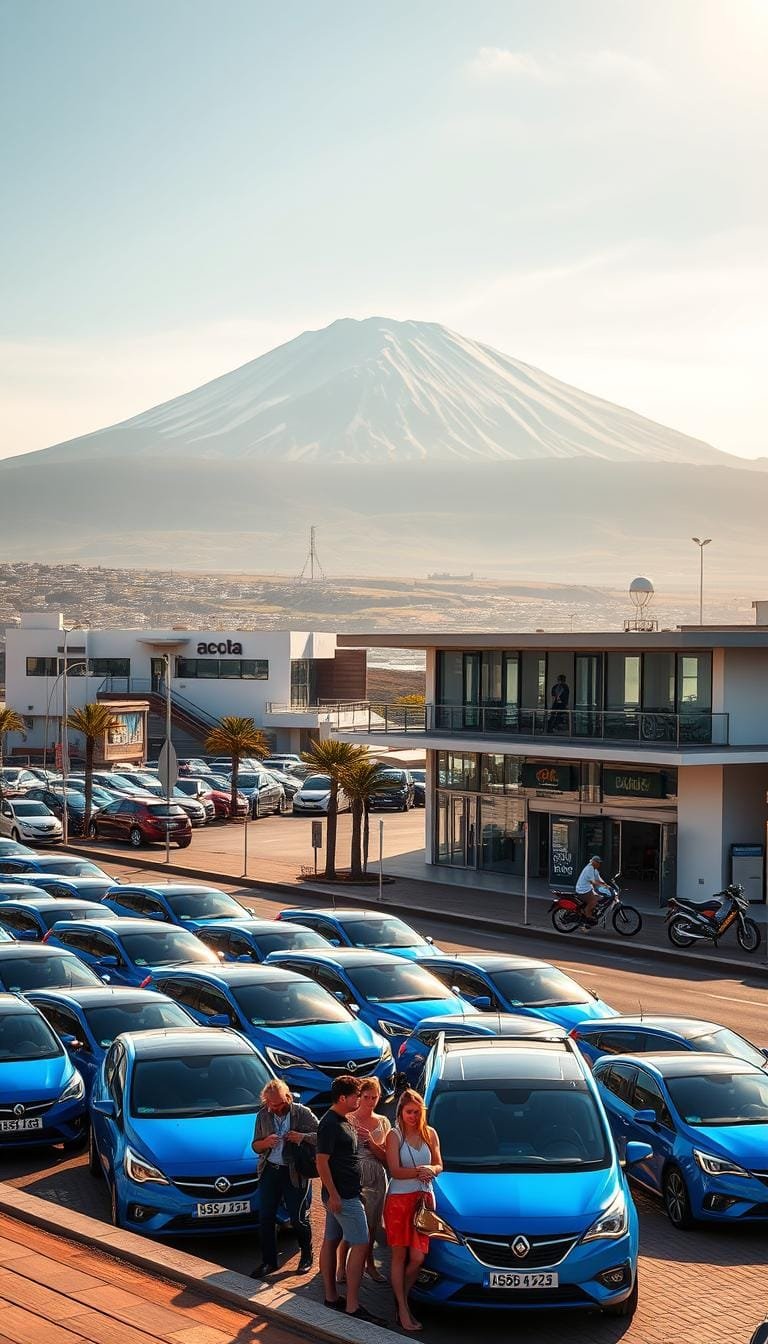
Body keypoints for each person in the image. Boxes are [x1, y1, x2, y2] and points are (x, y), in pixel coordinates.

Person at [316, 1074, 382, 1323]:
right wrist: (334, 1195)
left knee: (331, 1240)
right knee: (361, 1243)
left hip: (343, 1194)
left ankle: (332, 1298)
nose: (359, 1099)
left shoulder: (342, 1120)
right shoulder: (330, 1123)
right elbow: (321, 1162)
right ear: (343, 1098)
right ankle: (353, 1305)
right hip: (342, 1197)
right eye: (356, 1095)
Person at [384, 1088, 443, 1333]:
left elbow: (440, 1164)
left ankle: (402, 1299)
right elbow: (395, 1170)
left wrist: (432, 1168)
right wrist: (421, 1170)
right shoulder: (394, 1135)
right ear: (401, 1111)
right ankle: (402, 1308)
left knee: (418, 1257)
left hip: (424, 1201)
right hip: (399, 1200)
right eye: (409, 1112)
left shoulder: (430, 1133)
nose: (413, 1116)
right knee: (399, 1256)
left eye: (417, 1112)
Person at [251, 1078, 317, 1279]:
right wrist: (265, 1143)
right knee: (266, 1217)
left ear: (288, 1097)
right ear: (266, 1102)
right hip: (270, 1169)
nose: (278, 1108)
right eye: (273, 1105)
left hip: (294, 1171)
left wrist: (302, 1137)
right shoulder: (263, 1115)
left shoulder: (301, 1113)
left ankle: (307, 1254)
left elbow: (323, 1135)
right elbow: (255, 1146)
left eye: (281, 1104)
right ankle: (269, 1261)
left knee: (298, 1217)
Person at [336, 1077, 391, 1286]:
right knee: (352, 1224)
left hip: (376, 1176)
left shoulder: (383, 1122)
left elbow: (386, 1156)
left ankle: (370, 1264)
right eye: (366, 1097)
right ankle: (342, 1266)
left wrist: (371, 1141)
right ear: (359, 1097)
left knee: (373, 1224)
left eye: (374, 1097)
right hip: (354, 1176)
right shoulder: (348, 1118)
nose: (370, 1102)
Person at [575, 853, 606, 926]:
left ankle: (590, 911)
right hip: (582, 890)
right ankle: (587, 915)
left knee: (600, 898)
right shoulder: (589, 868)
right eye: (598, 862)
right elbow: (594, 882)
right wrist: (603, 885)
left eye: (599, 863)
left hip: (587, 889)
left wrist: (606, 885)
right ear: (593, 862)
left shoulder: (594, 869)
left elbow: (598, 878)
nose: (599, 864)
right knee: (594, 900)